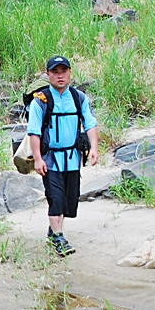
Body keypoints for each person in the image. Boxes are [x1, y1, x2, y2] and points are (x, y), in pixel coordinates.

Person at [28, 56, 100, 256]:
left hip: (72, 159)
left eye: (63, 71)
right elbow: (34, 132)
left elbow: (90, 124)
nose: (60, 76)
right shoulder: (40, 101)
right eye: (55, 72)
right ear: (48, 74)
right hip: (50, 159)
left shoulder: (79, 98)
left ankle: (54, 231)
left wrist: (94, 148)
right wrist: (38, 159)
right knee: (55, 198)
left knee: (68, 200)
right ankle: (59, 238)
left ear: (69, 73)